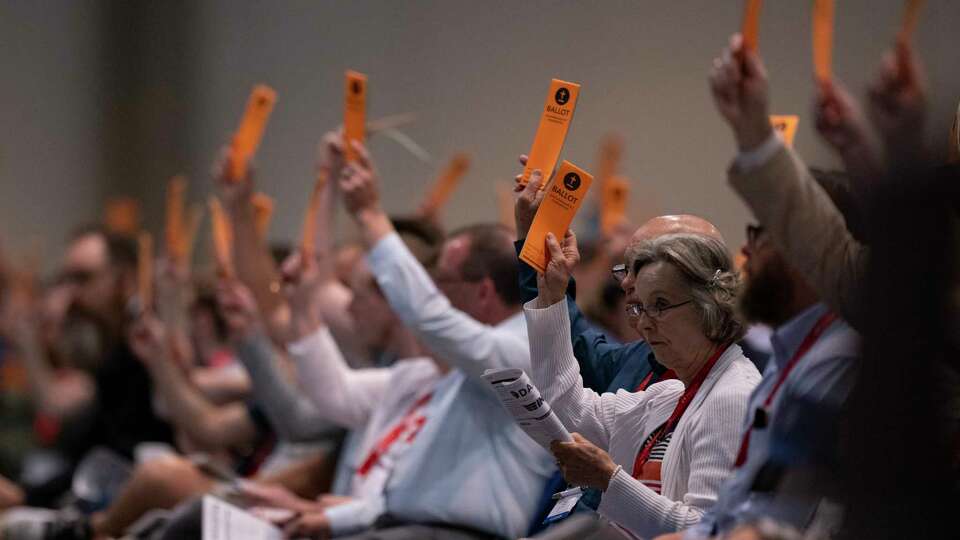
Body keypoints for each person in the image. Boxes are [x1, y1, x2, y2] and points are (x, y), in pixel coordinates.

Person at [527, 229, 760, 538]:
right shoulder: (671, 393)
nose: (644, 323)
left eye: (661, 305)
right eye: (639, 308)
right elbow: (566, 409)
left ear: (710, 303)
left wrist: (610, 480)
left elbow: (708, 531)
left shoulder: (733, 396)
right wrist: (551, 300)